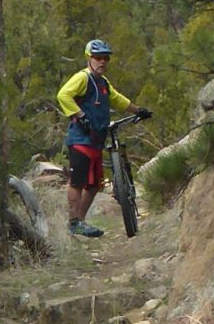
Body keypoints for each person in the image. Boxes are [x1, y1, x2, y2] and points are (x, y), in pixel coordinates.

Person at [56, 39, 147, 236]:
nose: (102, 62)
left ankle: (79, 222)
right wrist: (80, 116)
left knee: (94, 184)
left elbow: (117, 99)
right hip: (80, 139)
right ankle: (74, 222)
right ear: (89, 58)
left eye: (105, 58)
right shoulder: (83, 78)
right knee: (78, 182)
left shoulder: (103, 82)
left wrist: (139, 110)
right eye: (98, 57)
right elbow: (63, 95)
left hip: (96, 140)